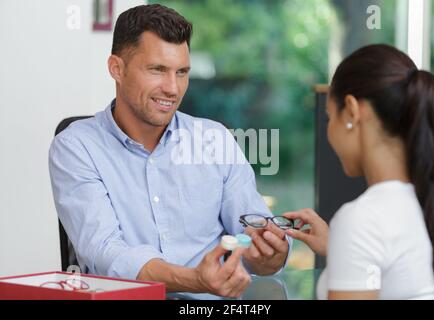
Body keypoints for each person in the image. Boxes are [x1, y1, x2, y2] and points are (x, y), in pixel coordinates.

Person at [49, 4, 290, 299]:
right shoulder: (76, 147)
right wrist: (194, 280)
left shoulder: (216, 140)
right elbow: (105, 252)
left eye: (182, 72)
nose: (173, 88)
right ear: (117, 68)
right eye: (158, 70)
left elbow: (254, 236)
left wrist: (268, 256)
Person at [284, 44, 434, 299]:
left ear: (351, 111)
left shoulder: (362, 220)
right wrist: (340, 248)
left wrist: (349, 241)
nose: (329, 133)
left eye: (330, 118)